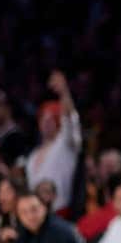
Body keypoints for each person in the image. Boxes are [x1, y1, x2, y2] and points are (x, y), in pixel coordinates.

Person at [25, 71, 81, 214]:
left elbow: (70, 120)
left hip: (60, 212)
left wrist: (64, 93)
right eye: (43, 118)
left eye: (51, 119)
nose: (46, 123)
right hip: (35, 214)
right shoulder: (33, 156)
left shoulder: (65, 145)